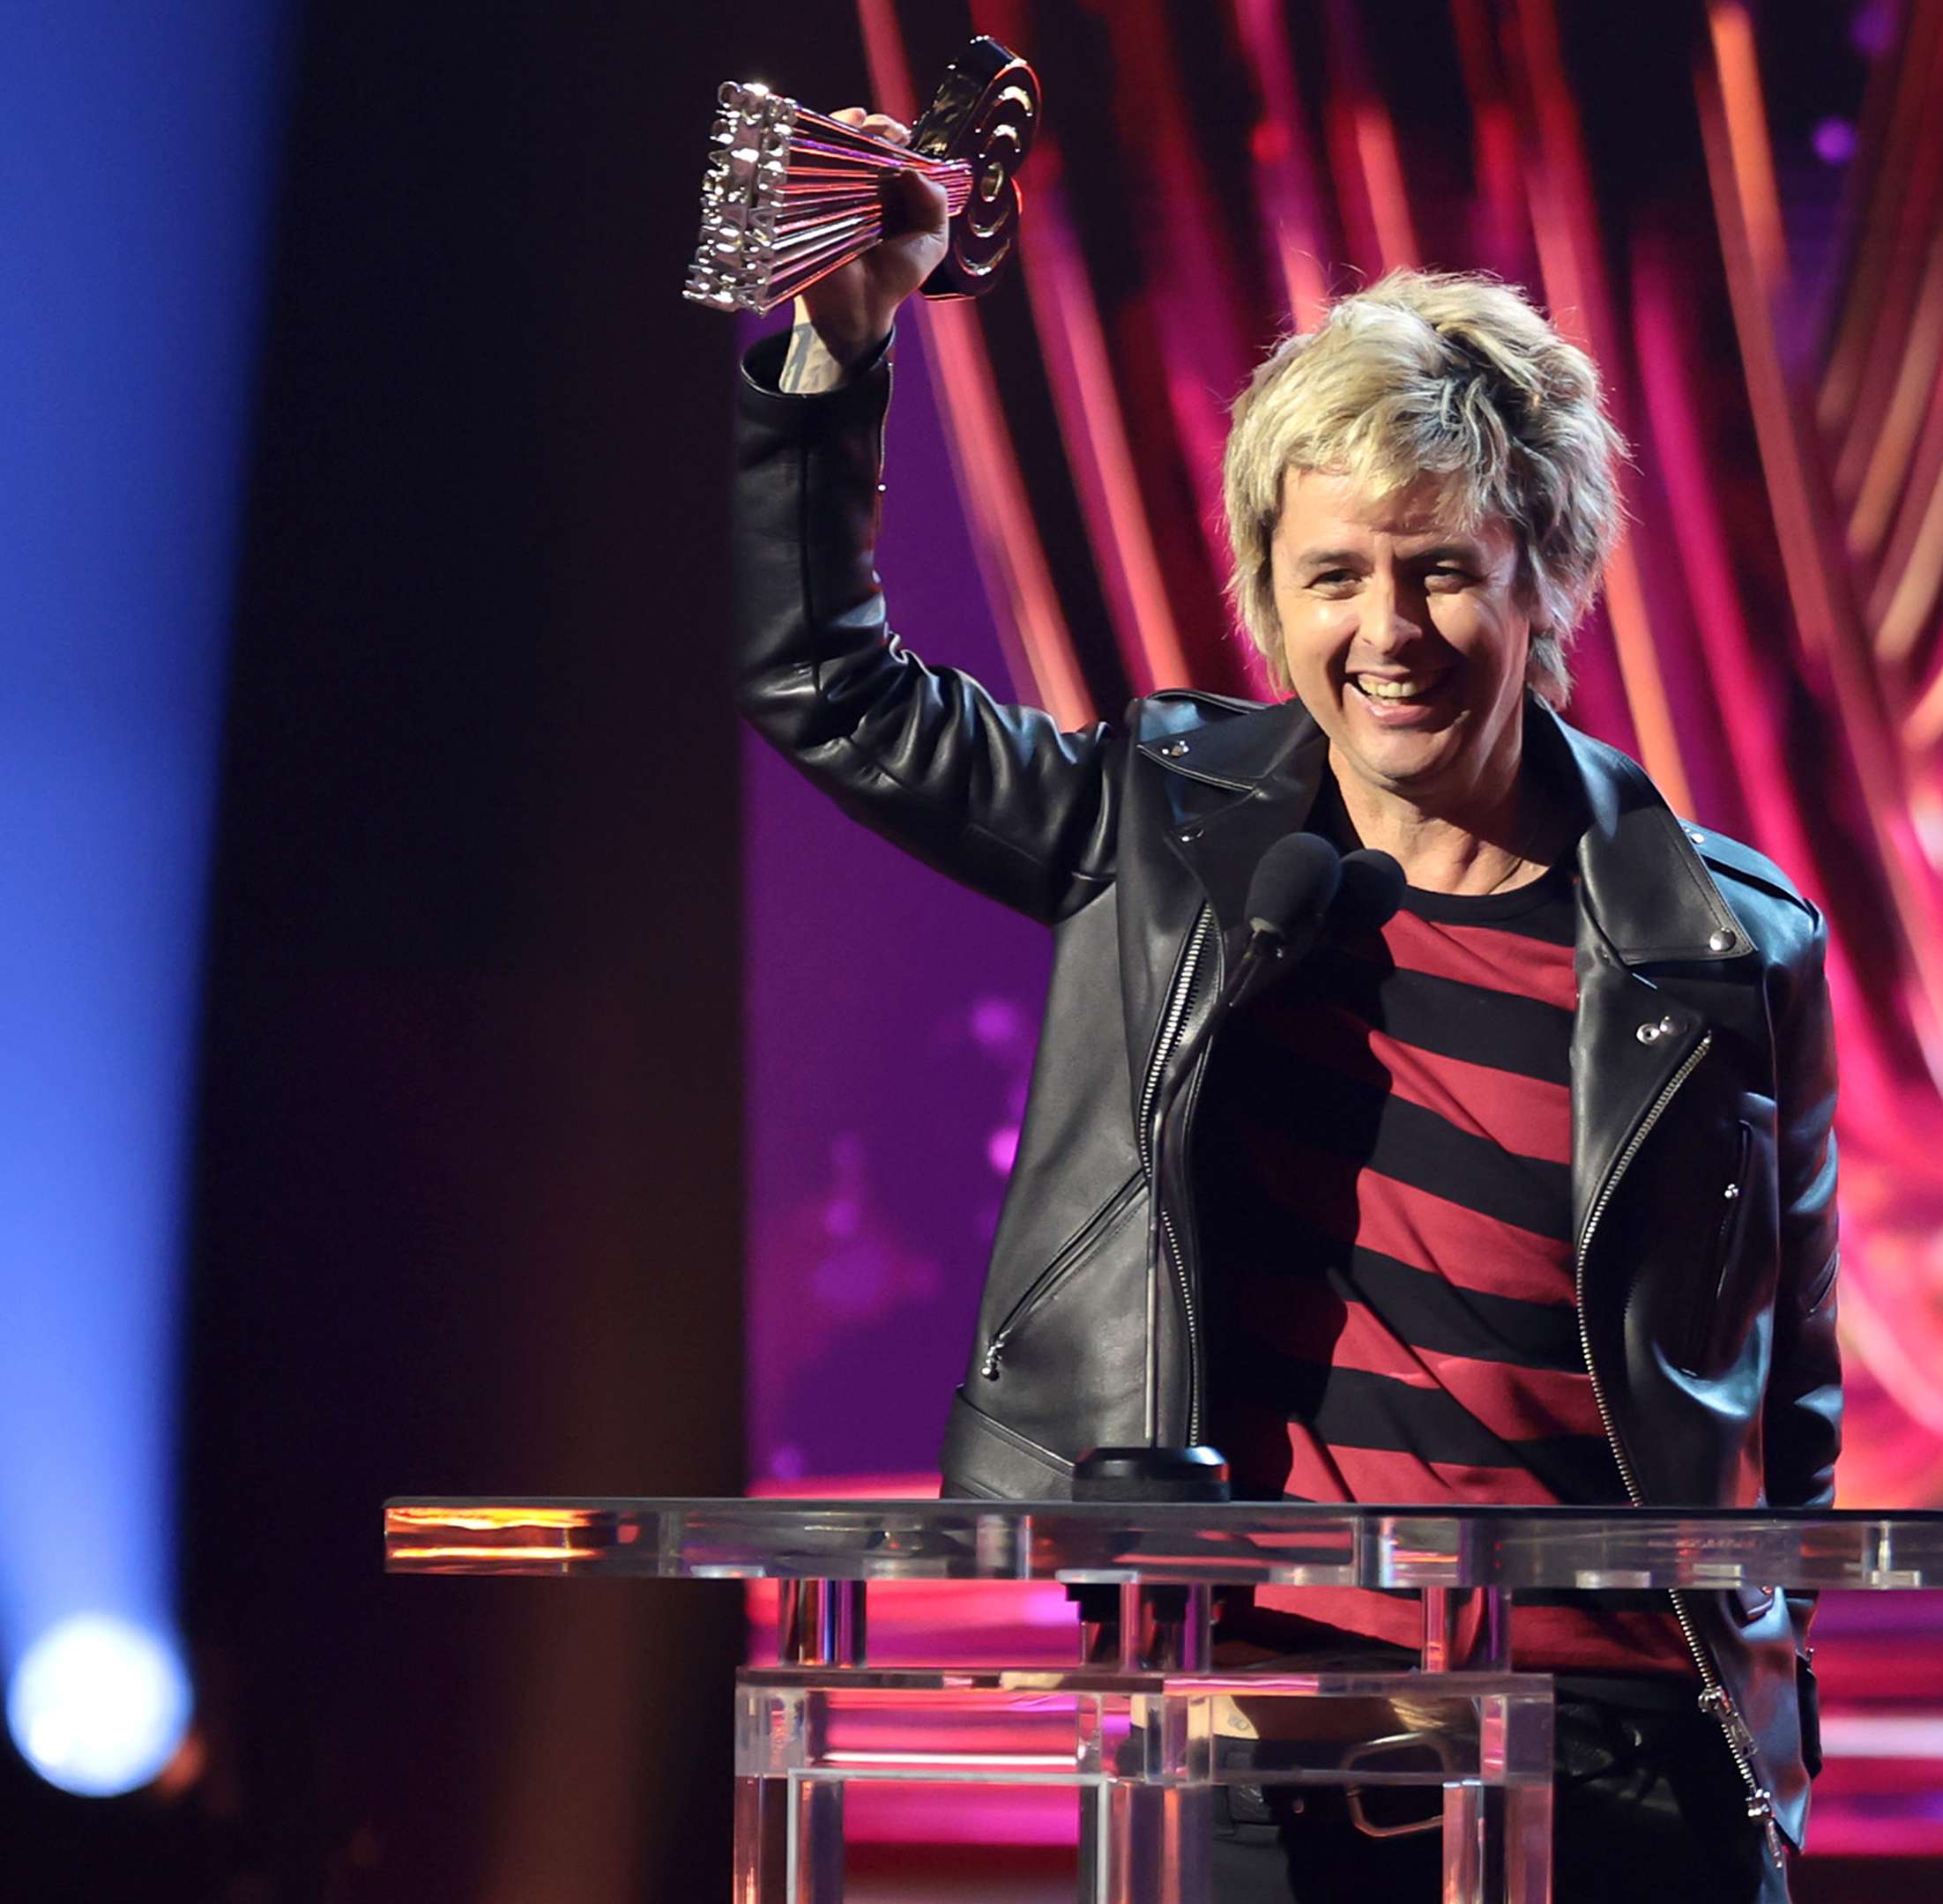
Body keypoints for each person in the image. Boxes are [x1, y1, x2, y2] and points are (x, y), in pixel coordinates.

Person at [734, 114, 1841, 1901]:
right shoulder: (1166, 835)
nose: (1386, 630)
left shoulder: (1729, 939)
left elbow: (1790, 1407)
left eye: (1440, 571)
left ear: (1544, 578)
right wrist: (834, 342)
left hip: (1616, 1764)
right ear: (1270, 594)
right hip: (1258, 1742)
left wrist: (1763, 1733)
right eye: (1336, 576)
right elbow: (825, 682)